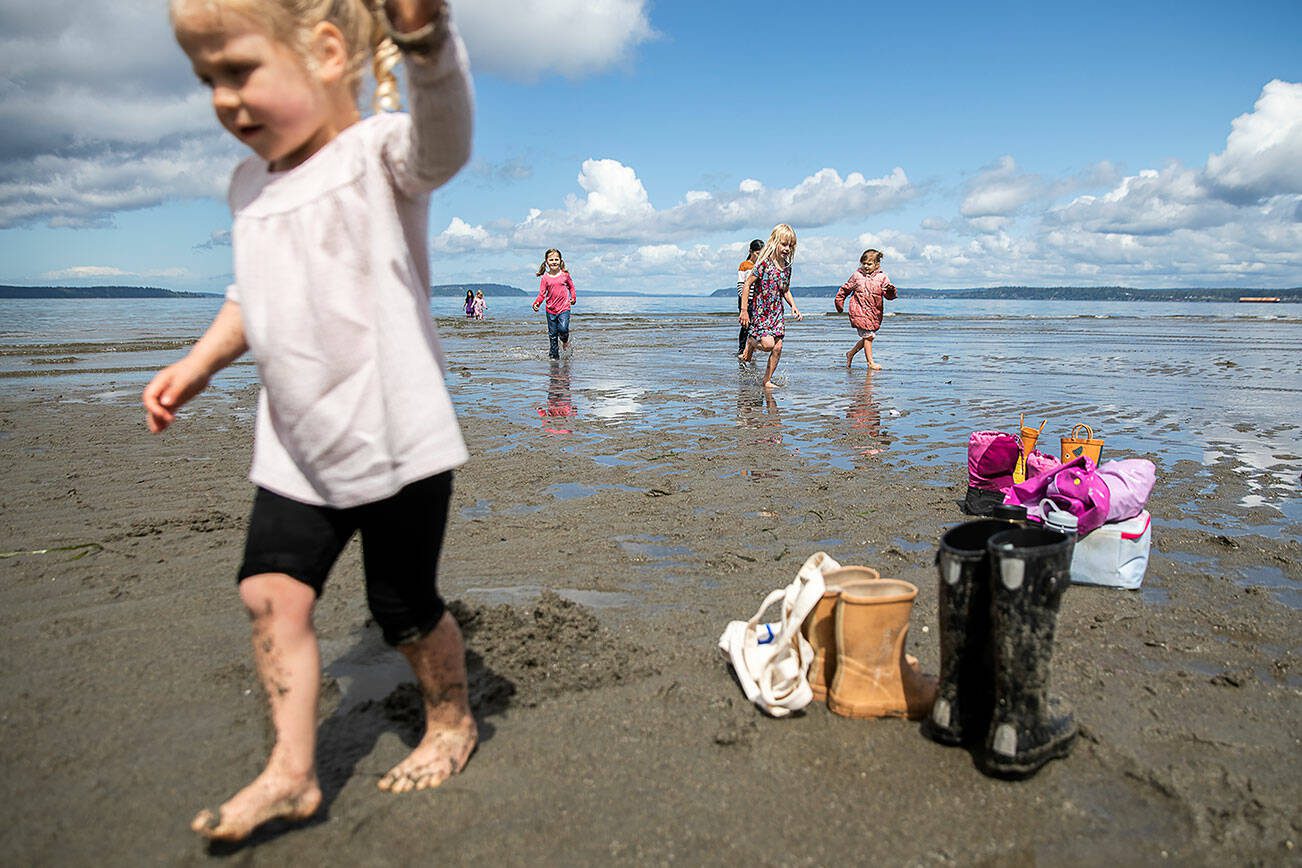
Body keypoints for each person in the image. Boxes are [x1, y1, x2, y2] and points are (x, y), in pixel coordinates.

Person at [142, 0, 476, 842]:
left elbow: (446, 143)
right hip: (295, 445)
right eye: (206, 79)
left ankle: (451, 721)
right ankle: (292, 773)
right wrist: (198, 361)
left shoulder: (378, 155)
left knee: (402, 610)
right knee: (269, 597)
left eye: (239, 70)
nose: (223, 98)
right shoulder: (248, 185)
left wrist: (428, 44)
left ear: (327, 53)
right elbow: (250, 296)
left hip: (395, 439)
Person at [739, 223, 803, 389]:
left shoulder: (787, 268)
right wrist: (744, 311)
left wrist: (793, 306)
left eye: (790, 245)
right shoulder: (764, 264)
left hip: (776, 312)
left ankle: (766, 380)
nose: (787, 248)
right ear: (774, 242)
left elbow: (785, 289)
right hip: (761, 311)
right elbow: (747, 284)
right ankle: (751, 342)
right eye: (783, 244)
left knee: (778, 347)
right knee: (767, 345)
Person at [834, 248, 897, 370]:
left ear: (877, 264)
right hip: (859, 311)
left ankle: (850, 353)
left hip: (874, 312)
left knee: (868, 336)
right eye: (864, 264)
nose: (866, 266)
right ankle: (870, 363)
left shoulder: (882, 277)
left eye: (869, 264)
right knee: (869, 336)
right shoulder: (857, 276)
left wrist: (890, 290)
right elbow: (844, 290)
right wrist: (839, 302)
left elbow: (889, 295)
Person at [532, 248, 577, 359]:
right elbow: (542, 294)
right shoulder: (545, 278)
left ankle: (565, 341)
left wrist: (573, 297)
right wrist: (537, 303)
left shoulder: (565, 275)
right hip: (550, 310)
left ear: (560, 261)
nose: (554, 262)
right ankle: (554, 358)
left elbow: (571, 287)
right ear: (546, 262)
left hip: (564, 308)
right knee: (552, 335)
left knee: (563, 329)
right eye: (551, 260)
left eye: (556, 259)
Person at [735, 238, 763, 359]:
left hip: (757, 300)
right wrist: (744, 300)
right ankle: (742, 349)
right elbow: (741, 285)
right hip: (745, 300)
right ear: (751, 251)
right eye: (757, 253)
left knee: (755, 325)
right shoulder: (744, 265)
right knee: (746, 325)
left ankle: (751, 348)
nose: (759, 256)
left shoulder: (761, 266)